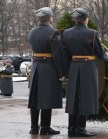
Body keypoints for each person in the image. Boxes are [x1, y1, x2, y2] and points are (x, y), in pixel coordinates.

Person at [62, 8, 108, 137]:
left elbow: (64, 54)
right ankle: (81, 129)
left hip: (73, 66)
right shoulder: (92, 33)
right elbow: (100, 53)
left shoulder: (66, 33)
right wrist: (106, 56)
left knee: (73, 98)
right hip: (88, 67)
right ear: (85, 19)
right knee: (86, 98)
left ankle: (72, 128)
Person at [28, 7, 65, 135]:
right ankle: (45, 127)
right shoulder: (53, 32)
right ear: (49, 18)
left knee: (34, 98)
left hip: (36, 66)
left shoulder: (32, 32)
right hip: (48, 67)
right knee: (47, 98)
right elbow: (57, 55)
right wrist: (61, 73)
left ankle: (33, 127)